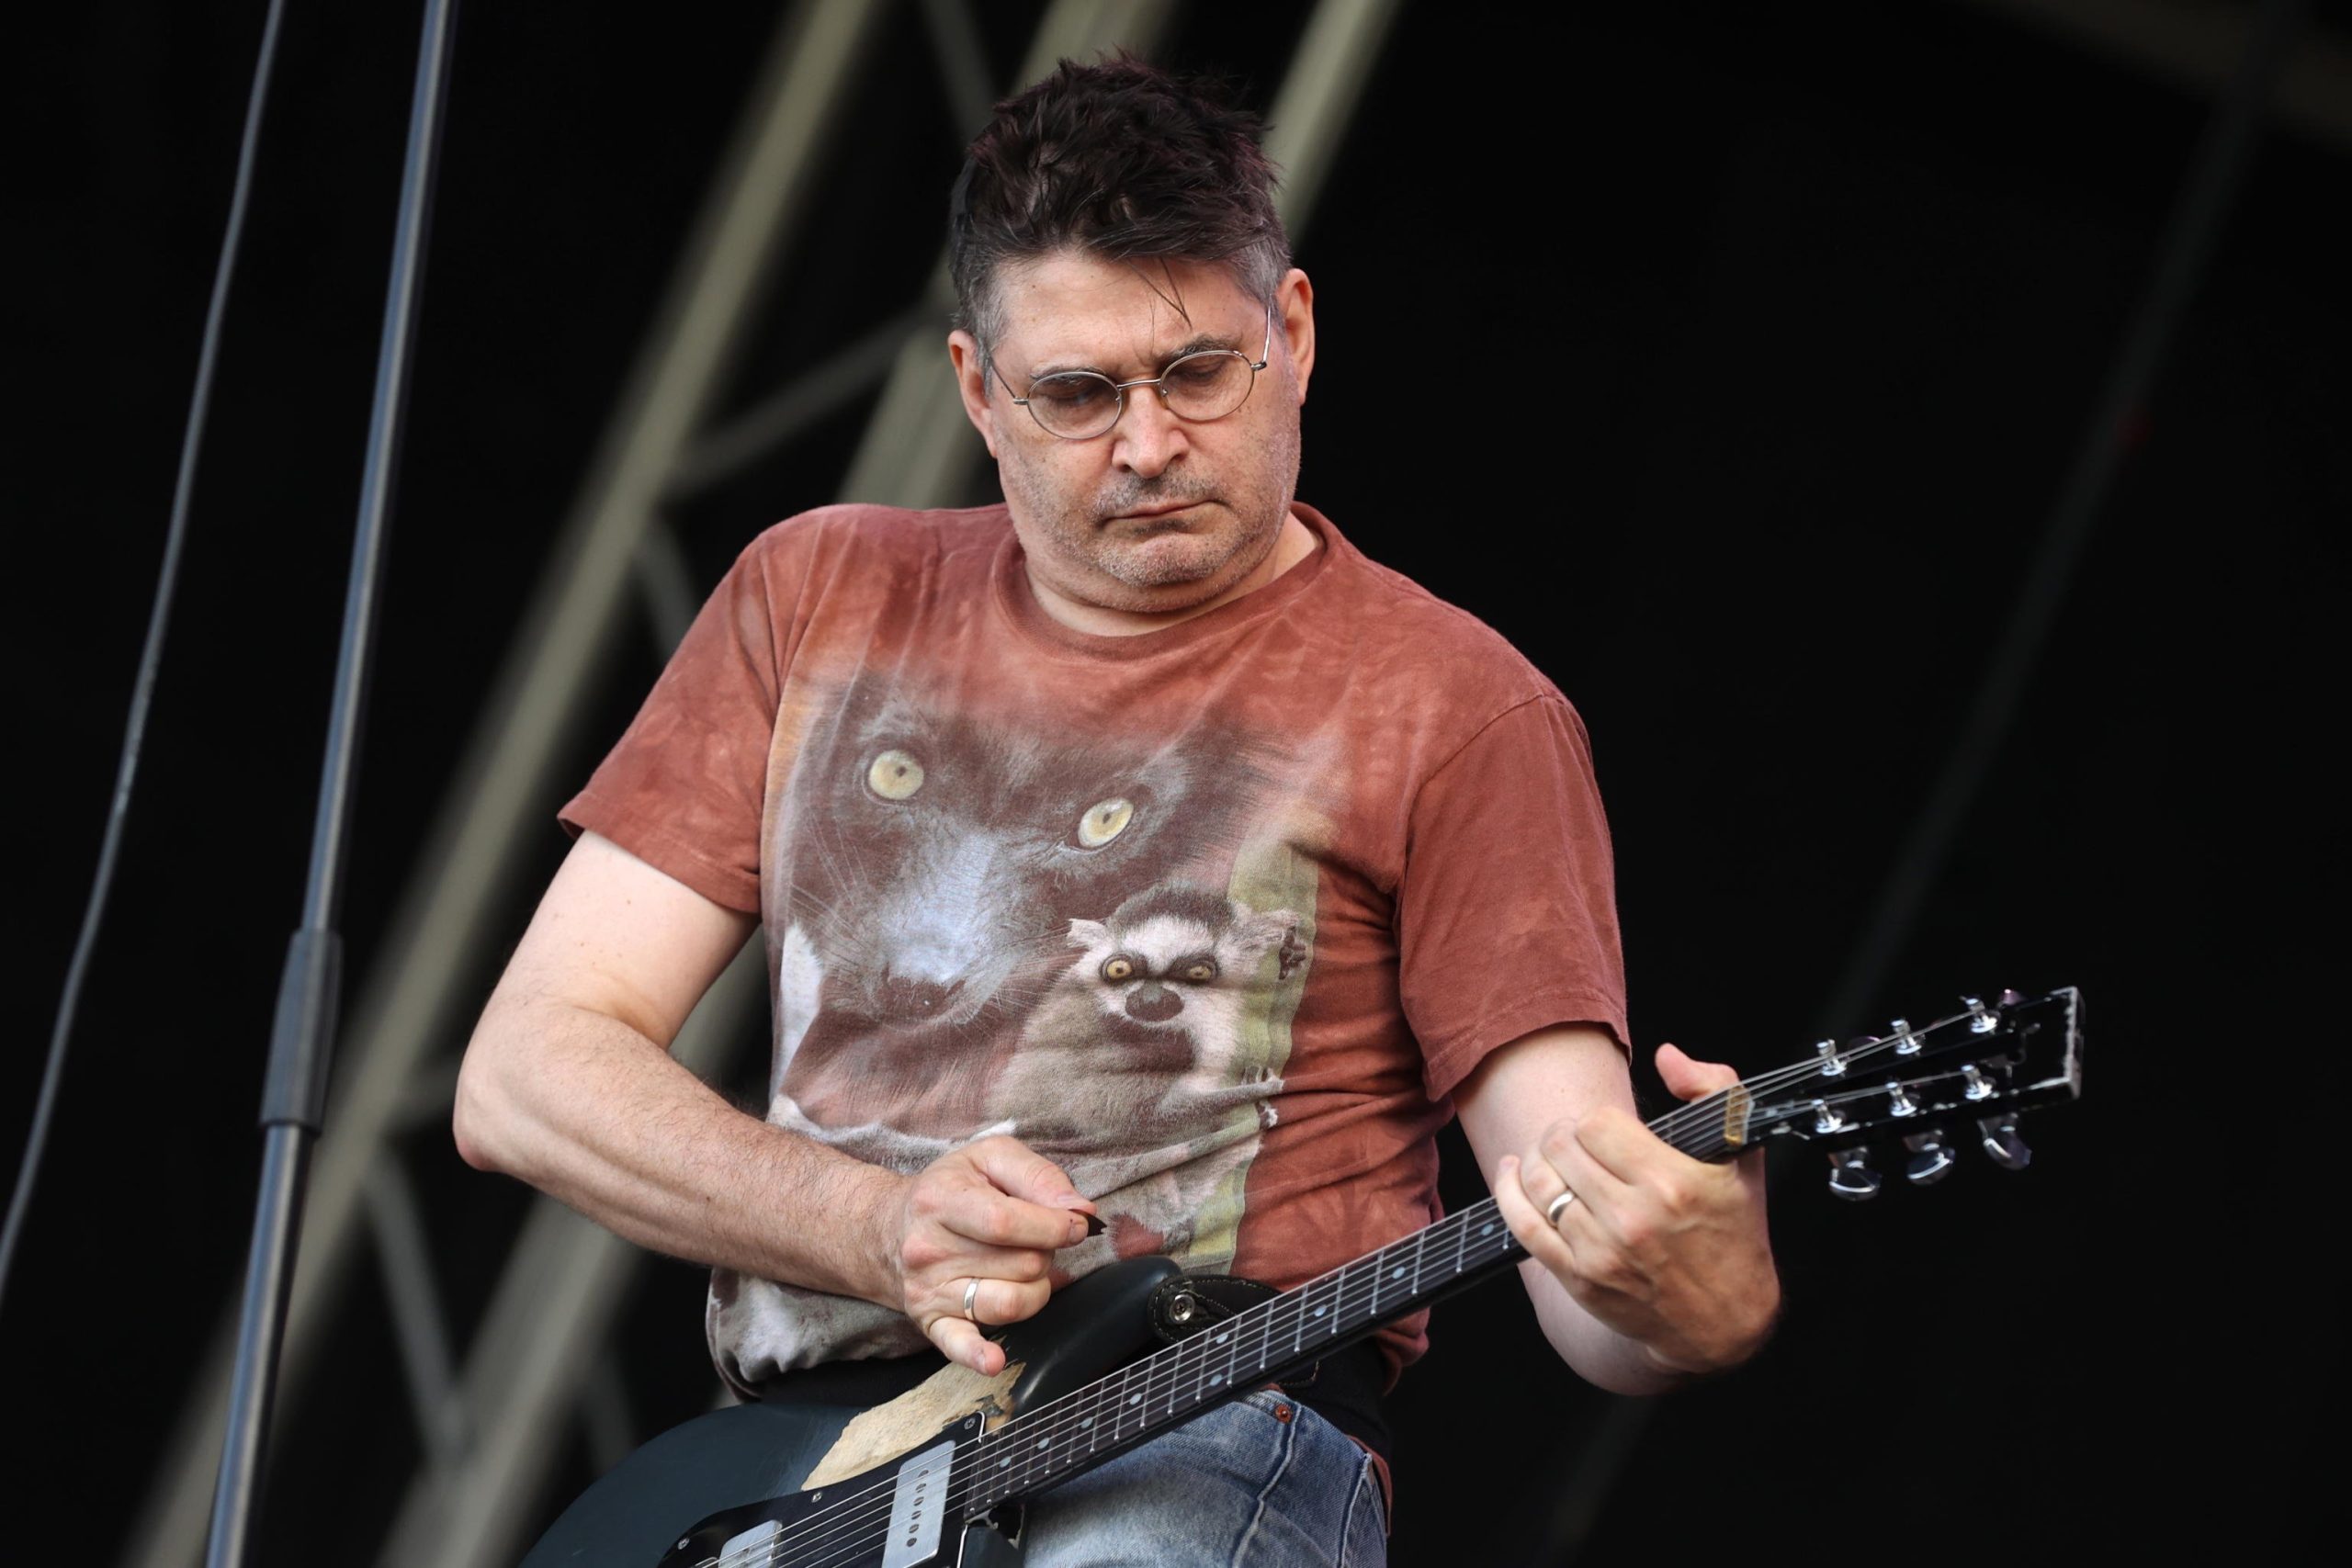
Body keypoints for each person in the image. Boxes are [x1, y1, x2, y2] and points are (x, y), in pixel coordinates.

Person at [454, 55, 1779, 1566]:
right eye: (1078, 395)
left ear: (1292, 332)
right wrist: (872, 1228)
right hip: (797, 1470)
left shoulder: (1461, 706)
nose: (1147, 446)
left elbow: (1583, 1242)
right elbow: (526, 1073)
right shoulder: (817, 591)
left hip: (1198, 1431)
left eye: (1197, 374)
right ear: (977, 390)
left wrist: (1697, 1289)